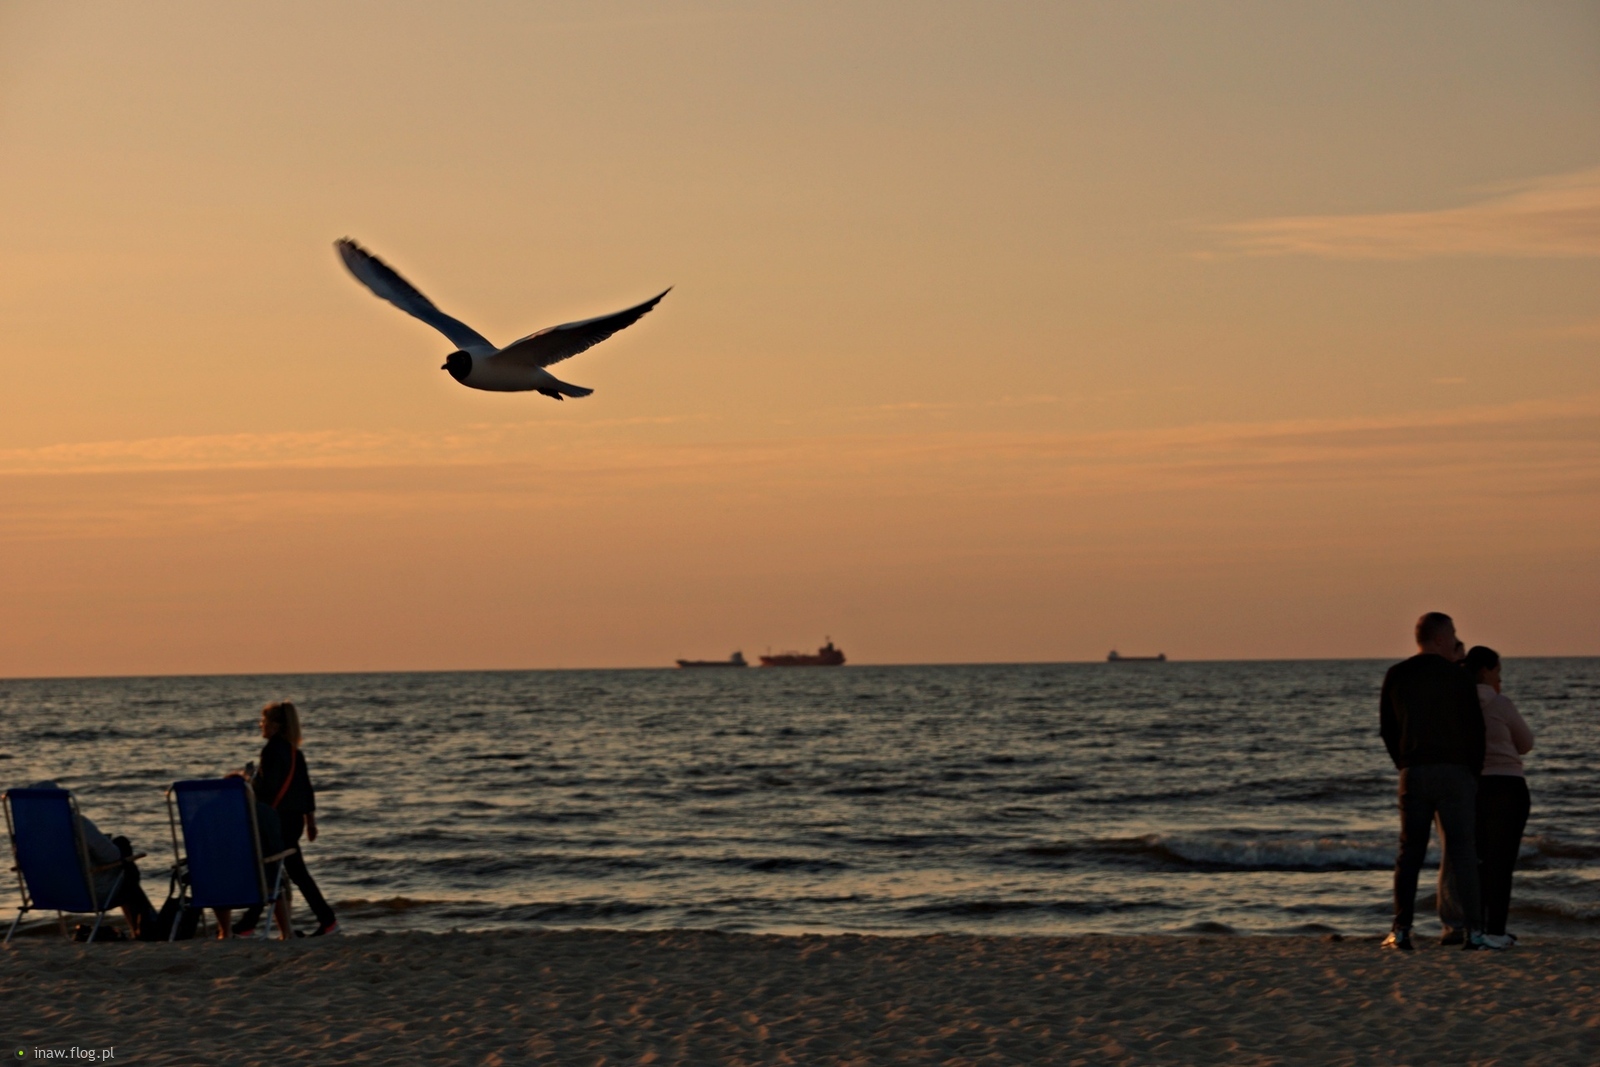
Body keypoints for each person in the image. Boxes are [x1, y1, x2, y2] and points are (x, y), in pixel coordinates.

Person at [1378, 612, 1508, 951]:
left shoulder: (1397, 675)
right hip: (1454, 772)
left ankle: (1402, 929)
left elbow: (1388, 728)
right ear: (1438, 639)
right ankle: (1473, 932)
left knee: (1410, 853)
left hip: (1415, 772)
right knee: (1463, 853)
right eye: (1451, 634)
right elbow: (1475, 731)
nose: (1454, 639)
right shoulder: (1459, 678)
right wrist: (1473, 771)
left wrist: (1403, 763)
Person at [1437, 646, 1534, 942]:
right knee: (1501, 863)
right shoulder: (1500, 704)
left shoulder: (1456, 705)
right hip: (1508, 786)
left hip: (1473, 787)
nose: (1499, 679)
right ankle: (1496, 931)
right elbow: (1526, 743)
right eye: (1497, 672)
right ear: (1485, 671)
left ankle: (1473, 927)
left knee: (1474, 861)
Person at [231, 701, 338, 938]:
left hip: (276, 823)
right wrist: (311, 822)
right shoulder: (293, 751)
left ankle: (247, 925)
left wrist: (248, 779)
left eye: (264, 722)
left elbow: (266, 790)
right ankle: (327, 921)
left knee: (269, 869)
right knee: (289, 871)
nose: (261, 725)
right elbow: (306, 789)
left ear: (276, 726)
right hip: (294, 821)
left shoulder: (270, 751)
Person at [28, 780, 158, 939]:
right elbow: (112, 856)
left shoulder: (26, 834)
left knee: (124, 866)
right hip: (90, 893)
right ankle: (145, 929)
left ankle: (146, 927)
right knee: (124, 855)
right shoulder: (75, 823)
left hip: (51, 893)